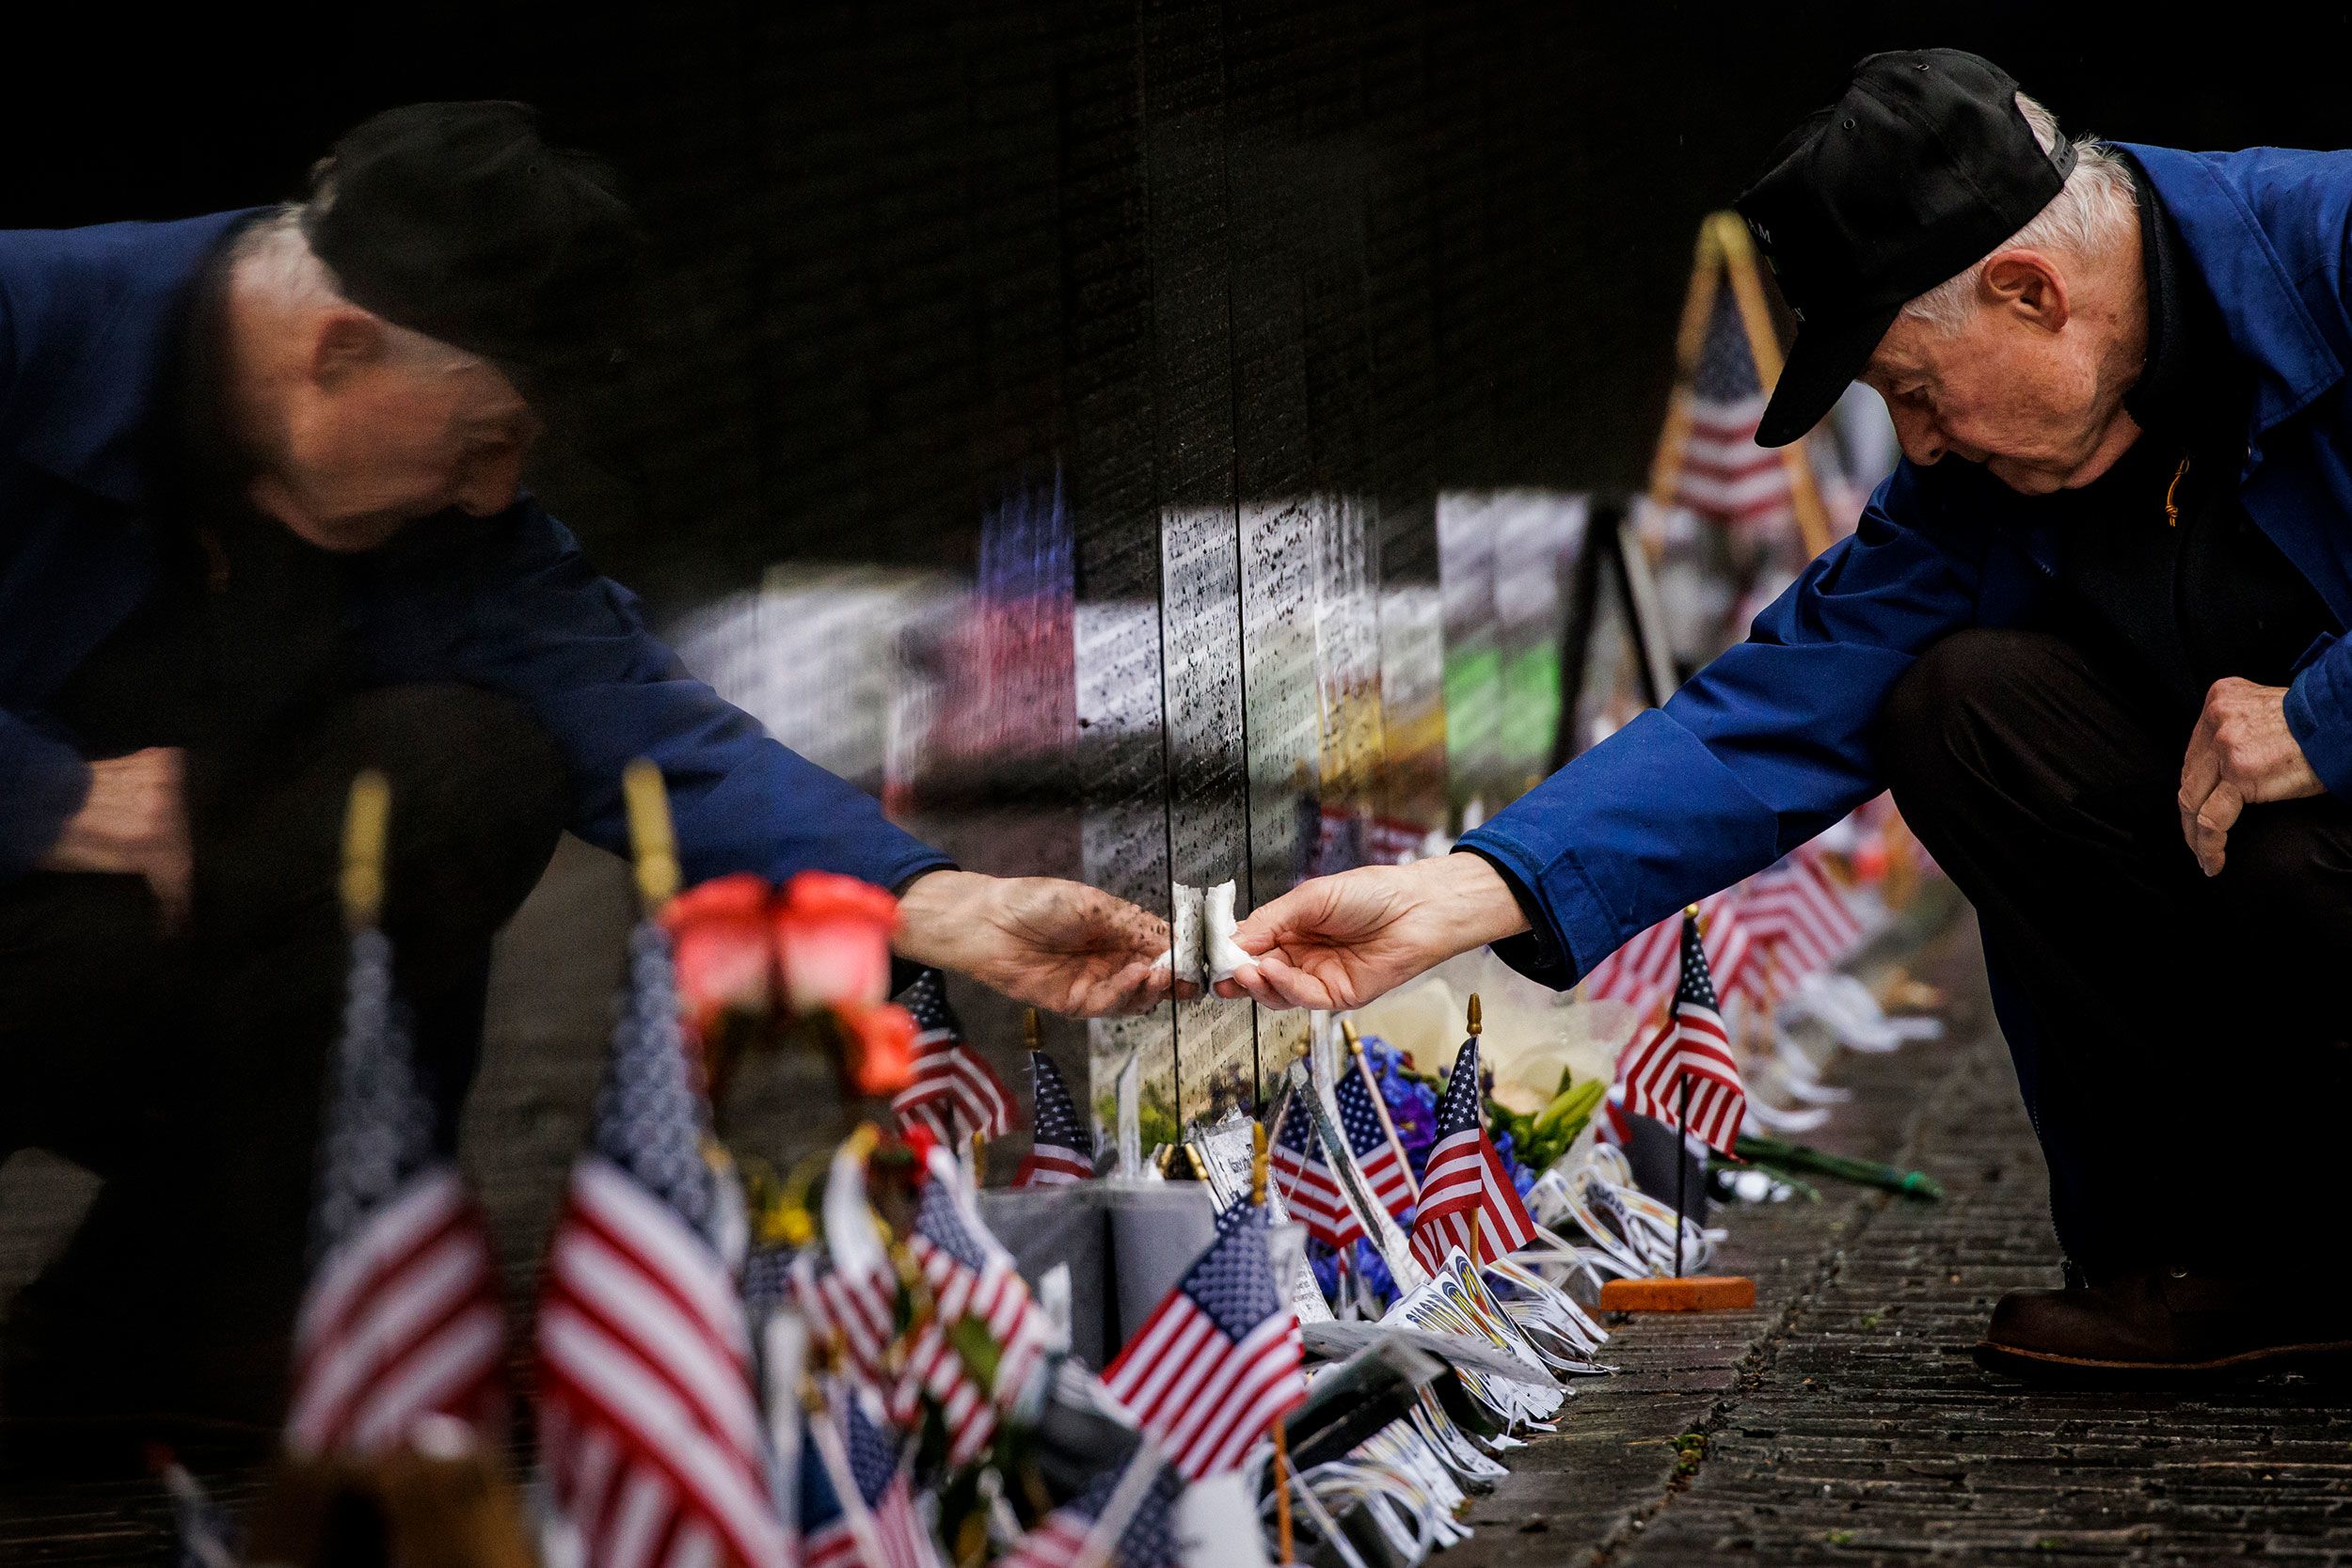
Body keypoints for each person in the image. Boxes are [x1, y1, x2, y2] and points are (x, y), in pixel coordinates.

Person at [0, 102, 1168, 1446]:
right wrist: (39, 798)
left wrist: (941, 901)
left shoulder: (446, 539)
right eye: (482, 437)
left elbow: (650, 724)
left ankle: (169, 1321)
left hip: (144, 966)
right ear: (337, 350)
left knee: (464, 765)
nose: (494, 493)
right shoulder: (26, 317)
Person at [1222, 49, 2352, 1382]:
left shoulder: (2332, 246)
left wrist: (2328, 719)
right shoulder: (1984, 489)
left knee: (2298, 836)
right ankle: (2254, 1264)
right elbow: (1774, 709)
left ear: (2032, 292)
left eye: (1914, 391)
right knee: (1963, 708)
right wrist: (1462, 894)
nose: (1919, 445)